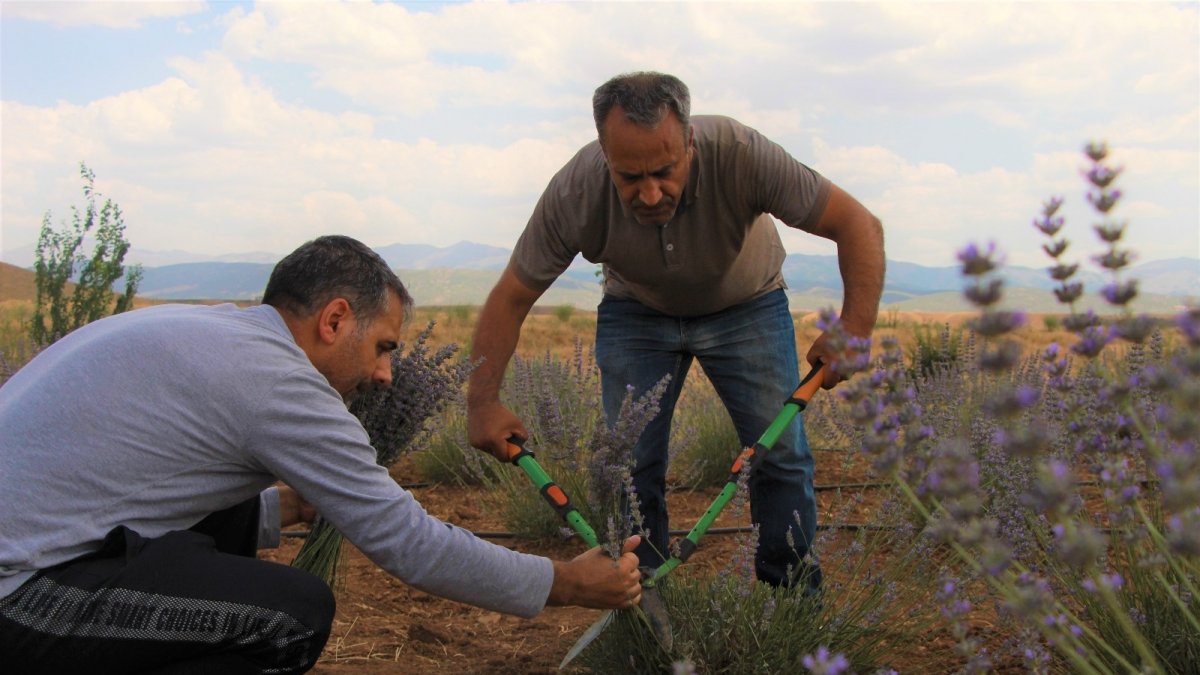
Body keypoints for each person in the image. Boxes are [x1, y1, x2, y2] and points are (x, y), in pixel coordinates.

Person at [0, 235, 642, 674]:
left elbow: (137, 480)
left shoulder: (216, 331)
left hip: (33, 548)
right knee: (291, 616)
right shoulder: (281, 383)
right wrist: (563, 583)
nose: (389, 373)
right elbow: (408, 543)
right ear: (334, 320)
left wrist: (279, 507)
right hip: (18, 596)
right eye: (386, 347)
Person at [467, 72, 884, 591]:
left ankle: (792, 601)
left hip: (746, 304)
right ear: (604, 153)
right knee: (627, 465)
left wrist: (855, 329)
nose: (649, 193)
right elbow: (511, 296)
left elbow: (858, 224)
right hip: (637, 310)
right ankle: (640, 601)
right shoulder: (575, 189)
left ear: (689, 142)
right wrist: (482, 402)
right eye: (629, 178)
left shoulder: (740, 152)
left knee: (780, 458)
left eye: (664, 171)